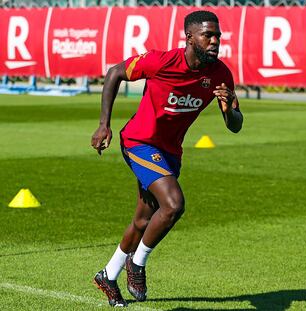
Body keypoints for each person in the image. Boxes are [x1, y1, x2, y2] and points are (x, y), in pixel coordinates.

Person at [91, 10, 243, 307]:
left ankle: (108, 275)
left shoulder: (221, 74)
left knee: (143, 220)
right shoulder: (161, 61)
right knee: (173, 204)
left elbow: (236, 125)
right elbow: (115, 73)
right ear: (190, 37)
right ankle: (138, 262)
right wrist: (103, 124)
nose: (215, 41)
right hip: (139, 142)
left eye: (218, 36)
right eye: (207, 35)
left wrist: (228, 109)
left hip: (170, 152)